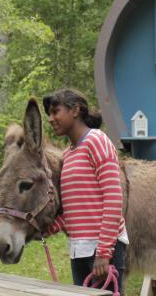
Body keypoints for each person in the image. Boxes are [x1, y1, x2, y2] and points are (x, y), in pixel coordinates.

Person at [42, 88, 128, 295]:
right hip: (78, 249)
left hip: (102, 250)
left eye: (55, 111)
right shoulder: (68, 155)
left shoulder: (96, 140)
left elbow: (114, 198)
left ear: (75, 110)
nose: (51, 119)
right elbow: (74, 209)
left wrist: (104, 252)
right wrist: (48, 228)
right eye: (49, 115)